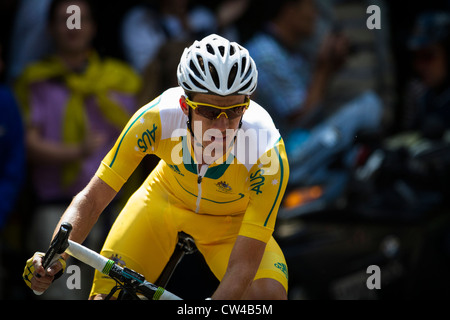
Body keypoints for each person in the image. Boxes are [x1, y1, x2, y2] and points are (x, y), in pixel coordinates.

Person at [23, 34, 290, 300]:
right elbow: (93, 198)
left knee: (267, 296)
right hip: (163, 204)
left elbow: (243, 267)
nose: (222, 127)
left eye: (233, 112)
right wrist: (54, 258)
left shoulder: (266, 152)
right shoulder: (157, 119)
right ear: (185, 106)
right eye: (209, 112)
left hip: (231, 224)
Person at [15, 0, 141, 298]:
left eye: (81, 18)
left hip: (114, 215)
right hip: (57, 214)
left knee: (108, 295)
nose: (73, 26)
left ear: (94, 27)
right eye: (65, 20)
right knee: (62, 293)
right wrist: (76, 152)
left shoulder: (120, 79)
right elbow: (28, 145)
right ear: (50, 29)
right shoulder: (36, 80)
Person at [245, 0, 385, 187]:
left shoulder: (288, 49)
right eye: (311, 7)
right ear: (290, 10)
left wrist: (330, 67)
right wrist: (323, 68)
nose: (315, 16)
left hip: (293, 145)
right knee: (369, 105)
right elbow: (302, 117)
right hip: (275, 157)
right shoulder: (265, 53)